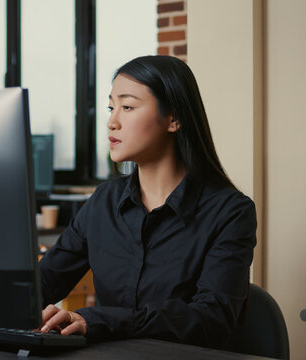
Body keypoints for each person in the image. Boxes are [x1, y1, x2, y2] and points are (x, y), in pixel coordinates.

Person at [38, 55, 257, 349]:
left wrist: (101, 319)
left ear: (174, 119)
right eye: (111, 107)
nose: (112, 122)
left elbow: (212, 319)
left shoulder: (230, 212)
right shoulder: (103, 202)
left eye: (127, 107)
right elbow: (43, 284)